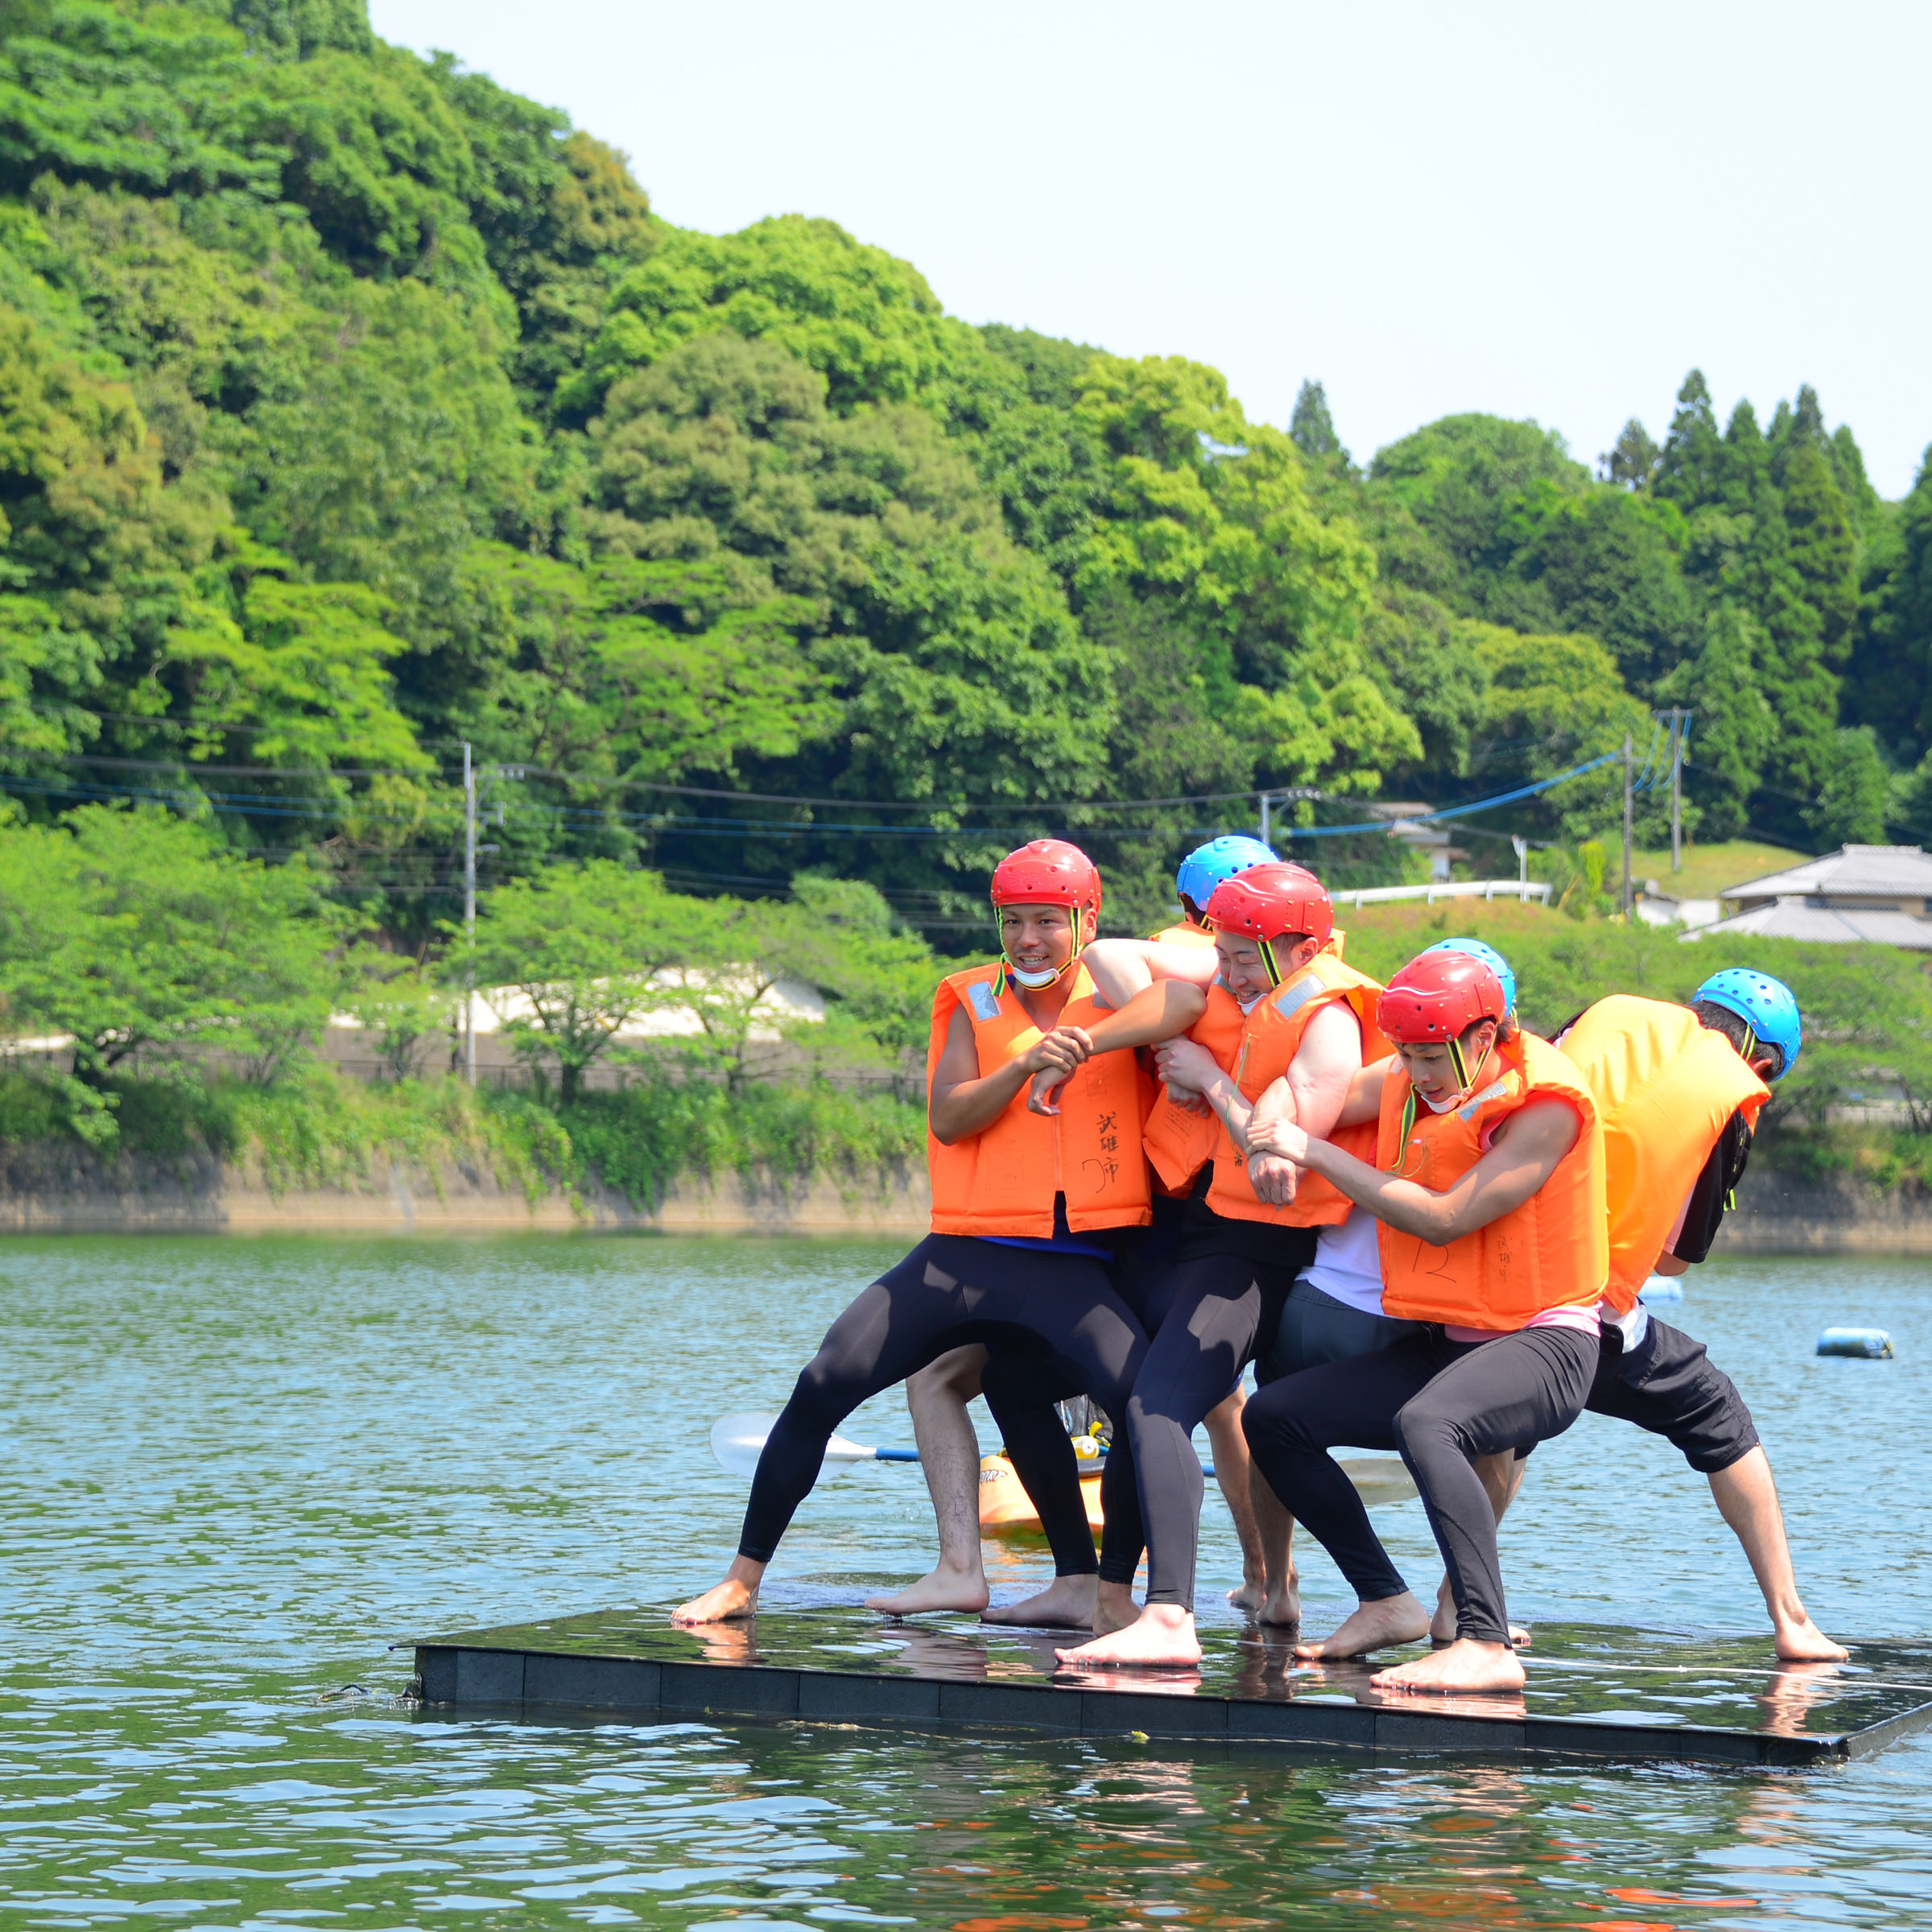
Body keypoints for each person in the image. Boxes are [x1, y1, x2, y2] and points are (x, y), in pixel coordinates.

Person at [673, 840, 1200, 1627]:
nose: (1028, 938)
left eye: (1048, 922)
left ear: (1086, 921)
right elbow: (949, 1117)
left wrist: (1086, 1042)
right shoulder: (968, 995)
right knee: (825, 1379)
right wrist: (1023, 1067)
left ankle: (1122, 1598)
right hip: (961, 1256)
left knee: (1140, 1409)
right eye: (1013, 921)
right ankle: (742, 1580)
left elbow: (1187, 1005)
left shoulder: (1119, 993)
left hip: (1073, 1265)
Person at [869, 834, 1275, 1622]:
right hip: (1197, 1237)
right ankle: (1254, 1584)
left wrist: (1081, 1025)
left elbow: (1122, 967)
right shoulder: (1276, 984)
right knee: (1206, 1405)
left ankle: (1108, 1591)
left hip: (1161, 1239)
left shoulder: (1165, 961)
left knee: (1145, 1401)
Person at [1042, 862, 1386, 1667]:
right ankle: (1121, 1594)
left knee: (1162, 1406)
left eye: (1239, 956)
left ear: (1301, 948)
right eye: (1219, 950)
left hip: (1257, 1251)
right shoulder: (1244, 984)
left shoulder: (1329, 1019)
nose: (1224, 969)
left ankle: (1172, 1617)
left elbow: (1284, 1146)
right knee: (1119, 1389)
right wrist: (1177, 1027)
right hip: (1196, 1229)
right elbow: (1110, 959)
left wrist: (1211, 1081)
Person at [1240, 949, 1609, 1694]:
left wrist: (1311, 1152)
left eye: (1432, 1056)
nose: (1418, 1072)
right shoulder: (1409, 1075)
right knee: (1274, 1417)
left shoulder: (1545, 1102)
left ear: (1483, 1035)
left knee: (1428, 1422)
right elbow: (1314, 1090)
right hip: (1449, 1341)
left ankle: (1484, 1641)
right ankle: (1385, 1600)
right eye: (1405, 1054)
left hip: (1546, 1340)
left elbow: (1445, 1220)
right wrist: (1268, 1131)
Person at [1544, 969, 1844, 1662]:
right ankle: (1792, 1621)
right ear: (1762, 1063)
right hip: (1583, 1302)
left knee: (1516, 1426)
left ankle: (1457, 1612)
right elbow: (1677, 1258)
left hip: (1490, 1270)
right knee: (1719, 1414)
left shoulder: (1609, 1007)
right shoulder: (1726, 1097)